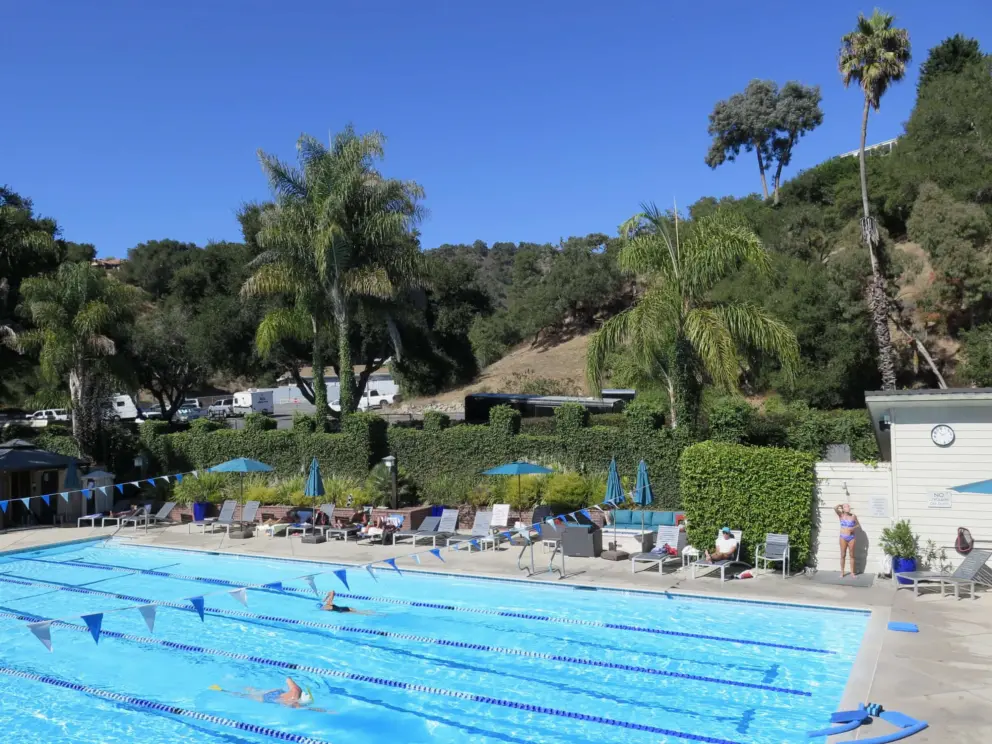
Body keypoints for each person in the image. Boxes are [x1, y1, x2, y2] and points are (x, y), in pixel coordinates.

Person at [209, 678, 335, 713]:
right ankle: (221, 690)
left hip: (276, 692)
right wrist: (325, 710)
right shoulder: (294, 704)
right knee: (243, 696)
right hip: (271, 698)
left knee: (252, 689)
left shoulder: (296, 689)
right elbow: (309, 709)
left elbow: (288, 678)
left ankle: (230, 680)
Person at [835, 503, 859, 577]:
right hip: (843, 537)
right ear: (843, 508)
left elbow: (857, 525)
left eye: (849, 506)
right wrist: (840, 505)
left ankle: (852, 572)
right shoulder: (841, 515)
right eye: (846, 506)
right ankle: (842, 572)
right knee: (843, 554)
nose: (848, 507)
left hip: (851, 537)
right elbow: (835, 508)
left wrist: (853, 528)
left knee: (852, 555)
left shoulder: (853, 516)